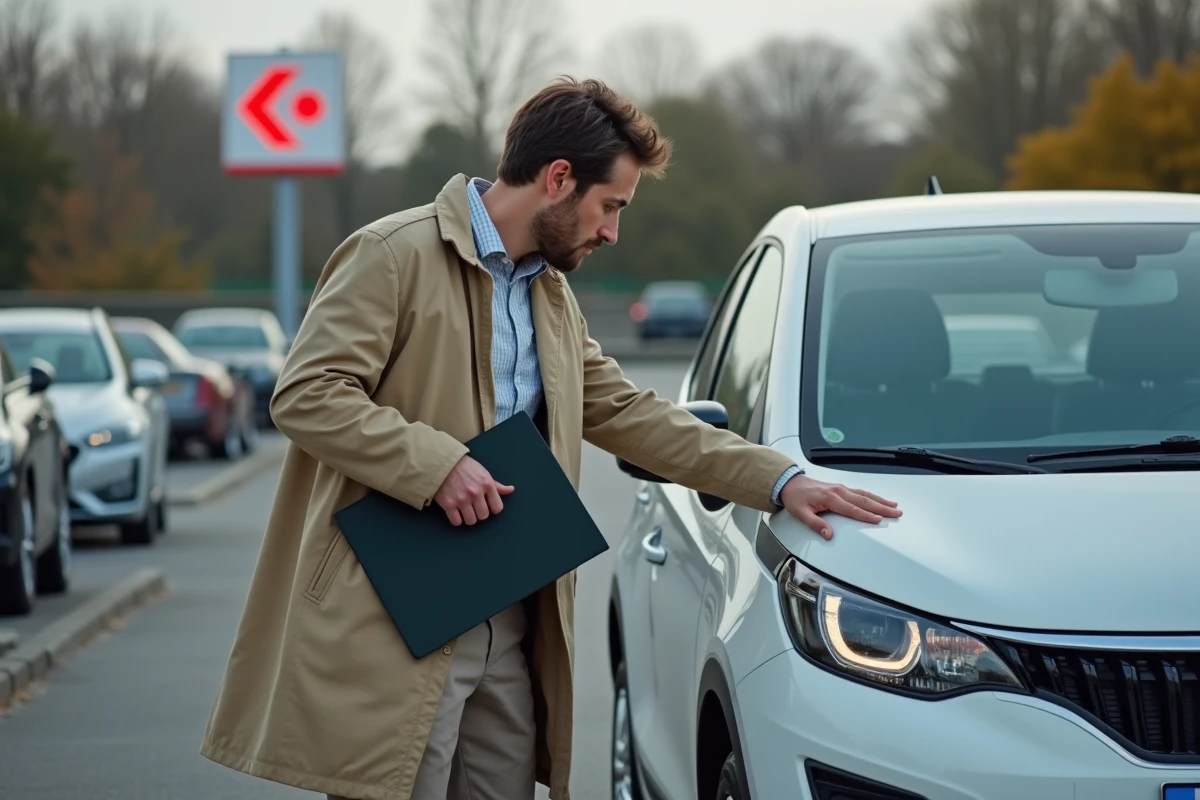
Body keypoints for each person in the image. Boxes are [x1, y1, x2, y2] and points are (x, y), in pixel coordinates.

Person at [199, 76, 901, 800]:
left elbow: (631, 413)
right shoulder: (390, 254)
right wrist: (438, 466)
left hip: (512, 611)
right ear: (558, 178)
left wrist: (781, 481)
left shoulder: (549, 296)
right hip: (397, 613)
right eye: (610, 206)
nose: (611, 231)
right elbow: (307, 395)